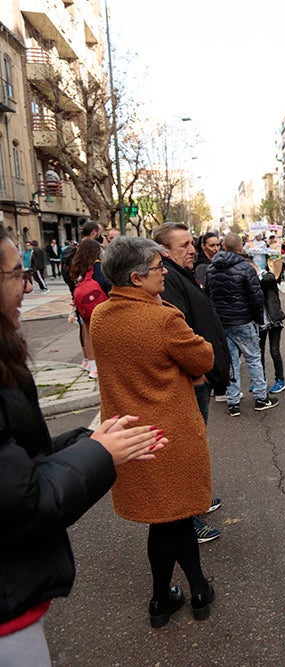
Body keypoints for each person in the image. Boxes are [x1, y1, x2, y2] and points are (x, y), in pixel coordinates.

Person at [0, 226, 166, 662]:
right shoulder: (159, 316)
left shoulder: (105, 313)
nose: (28, 286)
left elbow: (19, 459)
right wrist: (99, 452)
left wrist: (88, 441)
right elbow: (23, 499)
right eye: (17, 274)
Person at [89, 236, 218, 627]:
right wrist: (167, 312)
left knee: (164, 519)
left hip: (129, 437)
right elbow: (203, 357)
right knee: (175, 517)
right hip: (170, 431)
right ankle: (192, 591)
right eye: (157, 268)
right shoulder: (162, 318)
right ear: (135, 278)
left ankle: (166, 598)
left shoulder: (101, 317)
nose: (164, 273)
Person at [156, 223, 231, 543]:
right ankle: (187, 519)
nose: (192, 249)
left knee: (195, 447)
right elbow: (177, 332)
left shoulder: (180, 274)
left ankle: (196, 501)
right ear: (164, 252)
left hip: (199, 377)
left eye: (192, 243)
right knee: (187, 451)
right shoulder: (169, 278)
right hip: (193, 380)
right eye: (184, 245)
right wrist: (198, 373)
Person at [205, 233, 278, 416]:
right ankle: (261, 397)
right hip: (243, 319)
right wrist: (258, 319)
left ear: (223, 245)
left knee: (231, 361)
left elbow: (207, 295)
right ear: (240, 247)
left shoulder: (211, 268)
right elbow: (256, 297)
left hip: (222, 321)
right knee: (253, 358)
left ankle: (233, 401)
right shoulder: (245, 267)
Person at [68, 239, 108, 379]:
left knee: (86, 332)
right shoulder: (96, 265)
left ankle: (90, 364)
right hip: (96, 304)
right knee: (98, 335)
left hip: (82, 304)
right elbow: (103, 282)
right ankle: (96, 367)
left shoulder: (79, 266)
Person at [258, 268, 285, 394]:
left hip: (274, 319)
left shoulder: (266, 277)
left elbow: (270, 278)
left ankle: (280, 380)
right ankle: (261, 380)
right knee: (259, 353)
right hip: (260, 322)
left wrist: (258, 273)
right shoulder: (249, 282)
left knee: (274, 351)